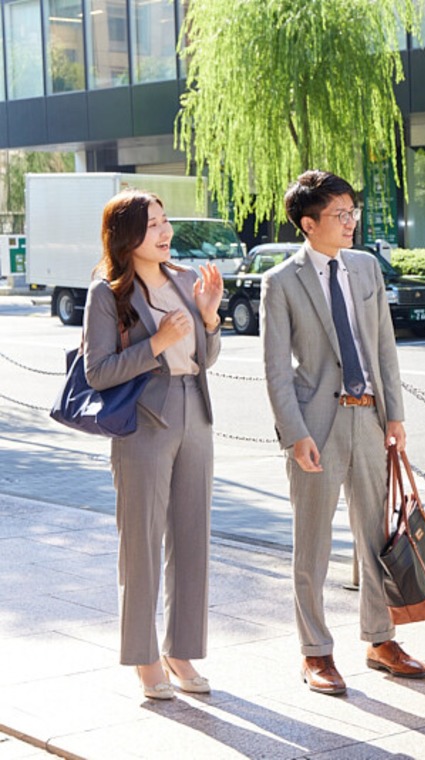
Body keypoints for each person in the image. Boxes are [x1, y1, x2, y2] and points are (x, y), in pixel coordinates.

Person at [261, 170, 425, 696]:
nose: (351, 222)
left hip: (370, 419)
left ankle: (380, 640)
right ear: (308, 224)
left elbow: (384, 347)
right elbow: (275, 370)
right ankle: (315, 652)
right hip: (317, 426)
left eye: (353, 212)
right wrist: (295, 434)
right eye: (340, 214)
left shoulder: (364, 268)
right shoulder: (280, 282)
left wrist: (395, 416)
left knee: (375, 537)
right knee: (311, 544)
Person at [84, 190, 223, 700]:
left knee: (192, 539)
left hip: (195, 413)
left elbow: (205, 357)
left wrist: (208, 317)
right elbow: (98, 372)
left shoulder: (185, 280)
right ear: (126, 237)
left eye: (166, 222)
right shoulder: (107, 294)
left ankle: (180, 650)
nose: (165, 233)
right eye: (152, 226)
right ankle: (144, 658)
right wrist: (156, 344)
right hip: (144, 420)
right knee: (141, 543)